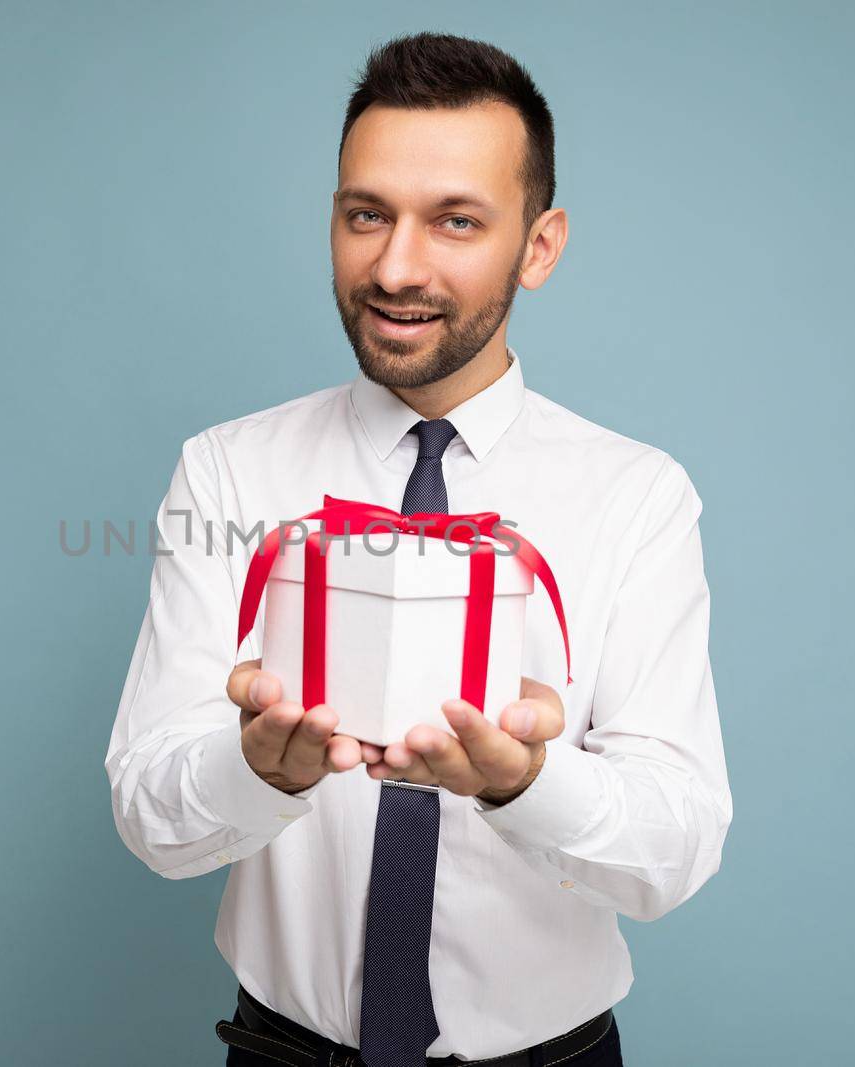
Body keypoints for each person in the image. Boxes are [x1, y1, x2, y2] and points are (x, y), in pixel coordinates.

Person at [105, 31, 732, 1067]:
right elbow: (150, 814)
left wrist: (525, 781)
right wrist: (256, 767)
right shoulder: (225, 473)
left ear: (538, 244)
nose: (396, 266)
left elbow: (673, 852)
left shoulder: (636, 497)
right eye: (365, 215)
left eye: (455, 221)